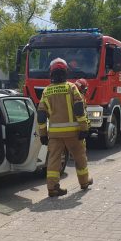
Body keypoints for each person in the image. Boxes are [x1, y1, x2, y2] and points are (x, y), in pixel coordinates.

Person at [37, 58, 93, 197]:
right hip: (73, 133)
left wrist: (43, 134)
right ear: (65, 72)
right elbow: (79, 110)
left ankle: (53, 188)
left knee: (53, 161)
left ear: (52, 74)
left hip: (54, 135)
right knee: (80, 158)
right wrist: (84, 128)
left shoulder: (46, 91)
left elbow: (41, 115)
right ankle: (84, 182)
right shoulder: (71, 87)